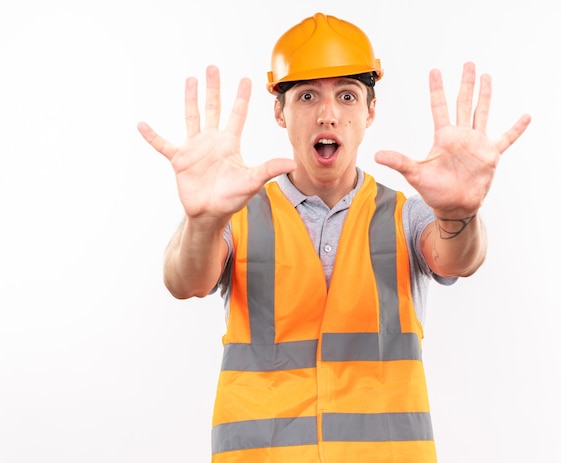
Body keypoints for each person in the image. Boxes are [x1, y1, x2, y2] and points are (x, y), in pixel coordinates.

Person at [137, 12, 530, 463]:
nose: (328, 114)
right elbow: (184, 281)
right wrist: (204, 221)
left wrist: (460, 212)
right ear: (280, 112)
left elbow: (458, 258)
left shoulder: (406, 215)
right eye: (307, 96)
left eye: (347, 96)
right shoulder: (238, 214)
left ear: (370, 111)